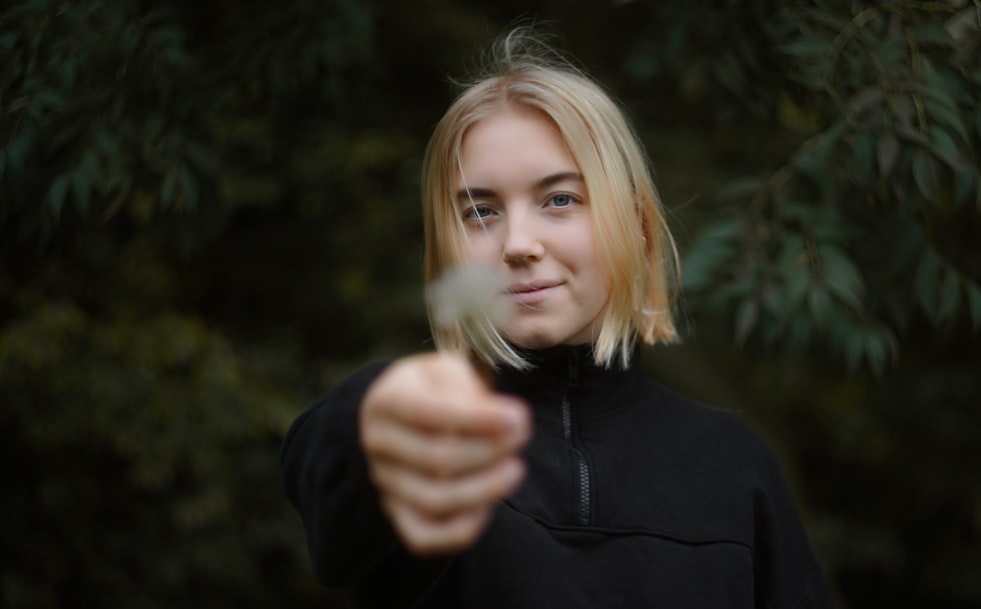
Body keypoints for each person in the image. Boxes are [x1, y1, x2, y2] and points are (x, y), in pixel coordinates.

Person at [281, 29, 834, 609]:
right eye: (481, 211)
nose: (519, 243)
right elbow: (338, 493)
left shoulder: (735, 469)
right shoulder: (432, 438)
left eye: (560, 200)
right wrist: (380, 413)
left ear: (634, 221)